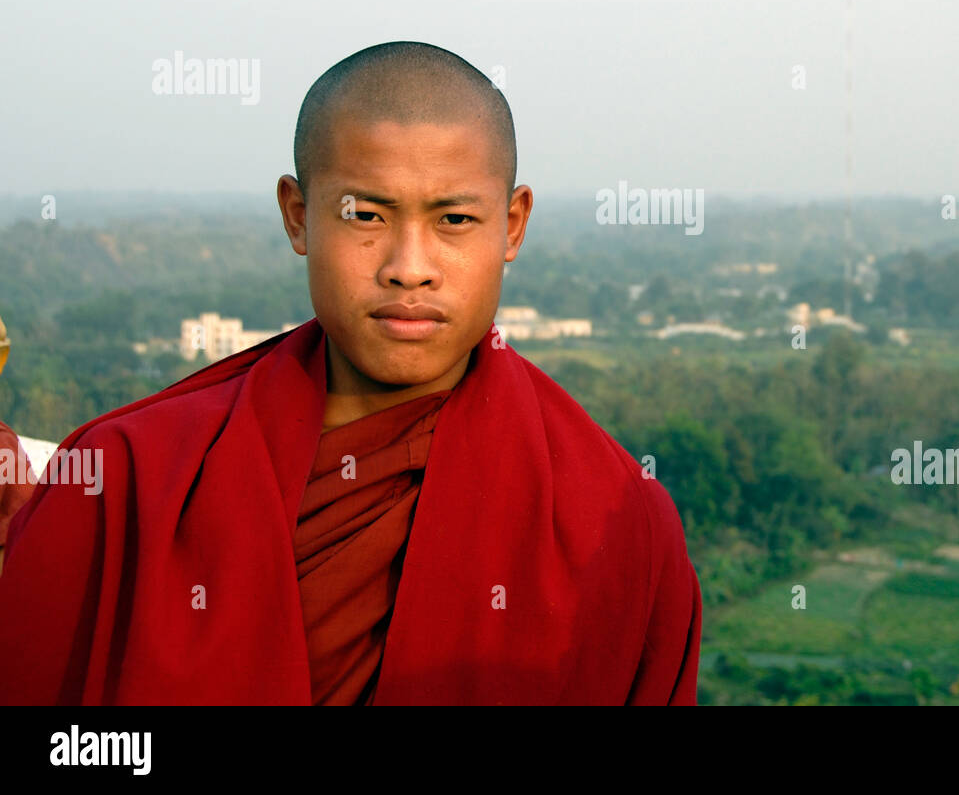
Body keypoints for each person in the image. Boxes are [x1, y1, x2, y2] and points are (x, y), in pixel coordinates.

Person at [0, 41, 702, 705]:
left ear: (512, 226)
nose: (408, 264)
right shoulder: (129, 479)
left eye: (455, 218)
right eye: (365, 213)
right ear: (298, 215)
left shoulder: (616, 519)